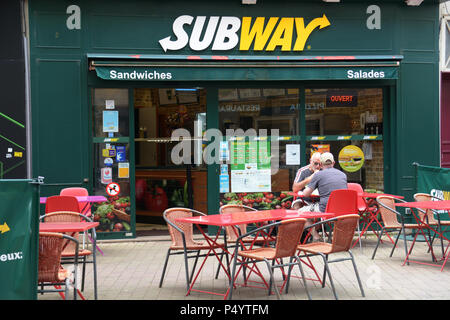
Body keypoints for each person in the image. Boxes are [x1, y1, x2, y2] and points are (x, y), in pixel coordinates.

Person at [299, 152, 348, 241]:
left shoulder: (318, 175)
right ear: (333, 163)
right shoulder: (343, 175)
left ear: (321, 164)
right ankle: (334, 238)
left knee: (299, 213)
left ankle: (316, 236)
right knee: (315, 213)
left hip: (325, 209)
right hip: (342, 211)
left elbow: (305, 194)